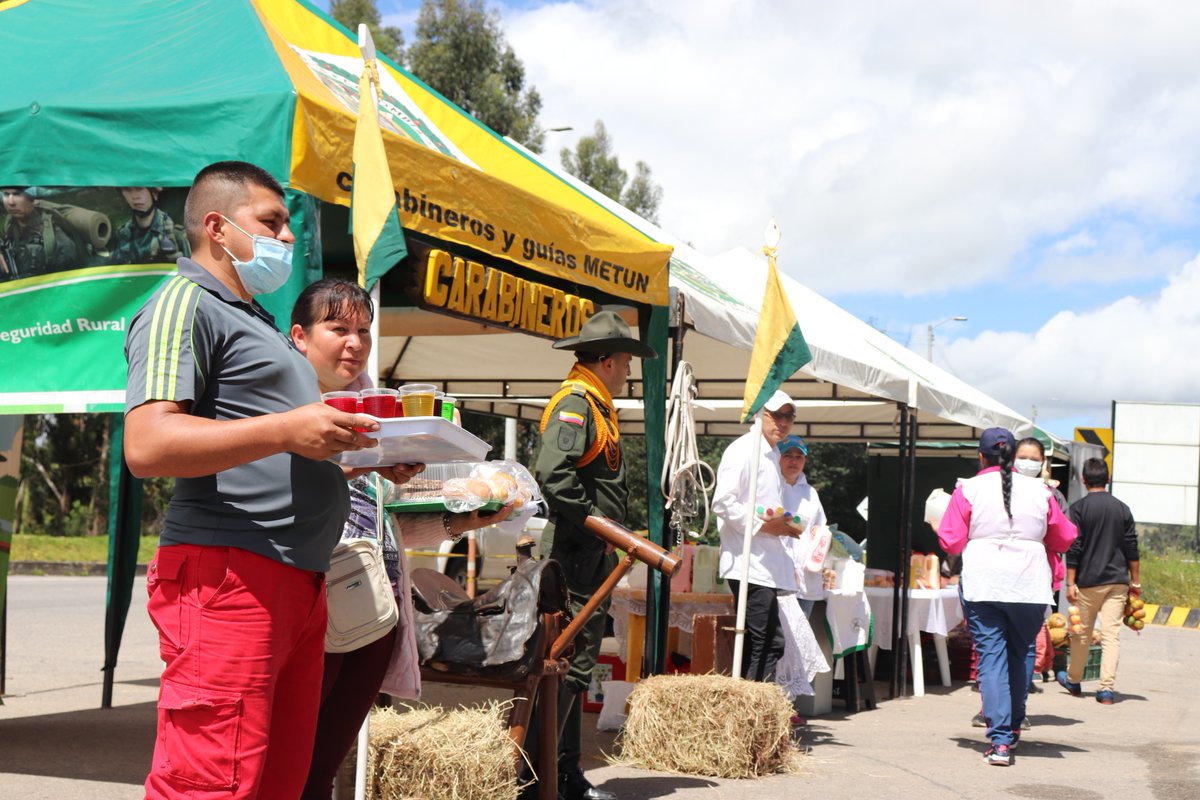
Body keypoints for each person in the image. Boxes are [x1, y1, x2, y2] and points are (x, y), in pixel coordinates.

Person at [123, 161, 381, 799]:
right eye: (271, 221)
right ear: (216, 226)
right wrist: (289, 431)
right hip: (230, 576)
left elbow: (274, 442)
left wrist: (358, 457)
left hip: (294, 582)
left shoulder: (255, 318)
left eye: (287, 224)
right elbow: (148, 444)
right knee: (209, 783)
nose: (288, 238)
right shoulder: (182, 303)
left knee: (274, 782)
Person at [290, 277, 512, 799]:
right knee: (288, 761)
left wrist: (461, 524)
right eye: (338, 328)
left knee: (322, 767)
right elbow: (278, 499)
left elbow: (383, 522)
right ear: (299, 336)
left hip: (378, 611)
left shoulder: (378, 413)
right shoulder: (284, 411)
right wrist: (354, 464)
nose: (355, 342)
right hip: (317, 608)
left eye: (363, 330)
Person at [530, 309, 657, 800]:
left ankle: (561, 776)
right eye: (625, 362)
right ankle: (544, 780)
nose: (627, 372)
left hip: (586, 552)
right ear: (606, 361)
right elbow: (553, 473)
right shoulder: (578, 403)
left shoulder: (594, 402)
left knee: (572, 668)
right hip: (577, 552)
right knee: (568, 667)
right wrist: (596, 524)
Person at [938, 428, 1076, 766]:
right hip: (1029, 585)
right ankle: (1013, 727)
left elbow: (950, 541)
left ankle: (999, 740)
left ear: (981, 457)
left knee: (991, 657)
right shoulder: (1042, 491)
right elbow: (1065, 537)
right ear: (1014, 457)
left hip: (984, 583)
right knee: (1020, 653)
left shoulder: (967, 489)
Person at [712, 390, 802, 683]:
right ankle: (754, 715)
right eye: (777, 414)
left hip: (761, 562)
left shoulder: (770, 451)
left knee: (761, 643)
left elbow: (751, 503)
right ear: (760, 414)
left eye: (789, 416)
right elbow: (722, 501)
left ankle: (752, 713)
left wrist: (777, 521)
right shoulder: (743, 450)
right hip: (748, 562)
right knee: (767, 644)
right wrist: (764, 526)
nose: (784, 422)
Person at [1059, 457, 1140, 705]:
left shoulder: (1078, 509)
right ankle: (1106, 690)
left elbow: (1074, 547)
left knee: (1081, 633)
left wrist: (1070, 582)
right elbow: (1132, 547)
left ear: (1083, 480)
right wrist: (1135, 582)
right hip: (1117, 581)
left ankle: (1073, 680)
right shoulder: (1122, 508)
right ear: (1109, 479)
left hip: (1088, 582)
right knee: (1111, 635)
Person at [776, 434, 827, 610]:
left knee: (801, 636)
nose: (794, 461)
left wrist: (820, 532)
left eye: (799, 457)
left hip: (807, 581)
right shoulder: (770, 488)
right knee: (777, 635)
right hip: (777, 580)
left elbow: (821, 531)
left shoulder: (811, 494)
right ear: (777, 457)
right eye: (788, 455)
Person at [0, 185, 78, 278]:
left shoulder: (55, 238)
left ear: (33, 199)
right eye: (6, 194)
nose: (11, 202)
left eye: (17, 194)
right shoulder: (8, 227)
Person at [110, 186, 191, 264]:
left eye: (140, 188)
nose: (135, 196)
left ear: (154, 194)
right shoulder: (122, 235)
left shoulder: (175, 235)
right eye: (128, 189)